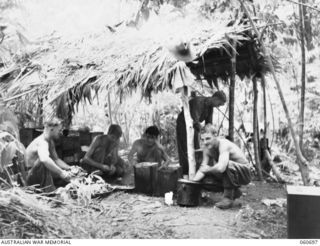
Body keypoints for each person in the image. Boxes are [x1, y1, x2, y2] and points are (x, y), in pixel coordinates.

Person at [192, 124, 252, 209]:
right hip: (230, 174)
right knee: (206, 180)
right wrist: (192, 184)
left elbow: (221, 168)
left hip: (244, 173)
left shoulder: (223, 144)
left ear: (216, 135)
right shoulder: (206, 148)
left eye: (208, 138)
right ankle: (235, 192)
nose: (205, 142)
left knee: (225, 165)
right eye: (203, 139)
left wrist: (208, 169)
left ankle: (227, 198)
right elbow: (202, 169)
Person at [176, 90, 227, 178]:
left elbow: (209, 124)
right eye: (219, 104)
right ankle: (185, 173)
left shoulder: (210, 107)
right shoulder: (198, 102)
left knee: (196, 148)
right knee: (185, 148)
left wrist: (213, 136)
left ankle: (194, 171)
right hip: (183, 124)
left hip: (193, 126)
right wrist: (204, 134)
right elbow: (195, 121)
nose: (218, 106)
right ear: (215, 98)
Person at [26, 118, 74, 192]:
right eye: (59, 130)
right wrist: (62, 173)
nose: (60, 133)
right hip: (29, 176)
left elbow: (56, 159)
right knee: (44, 163)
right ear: (52, 129)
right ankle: (49, 192)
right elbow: (44, 159)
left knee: (62, 170)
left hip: (38, 174)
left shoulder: (50, 142)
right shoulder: (42, 141)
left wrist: (70, 168)